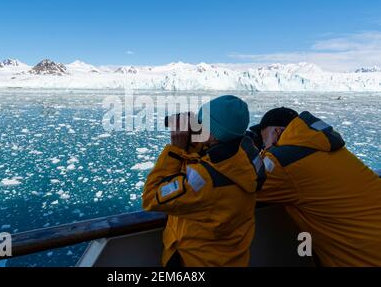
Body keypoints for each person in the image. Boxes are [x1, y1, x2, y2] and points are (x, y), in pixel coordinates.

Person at [142, 95, 266, 267]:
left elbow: (150, 197)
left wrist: (176, 149)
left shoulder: (205, 179)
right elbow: (214, 156)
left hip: (195, 262)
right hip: (232, 259)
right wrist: (198, 140)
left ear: (213, 134)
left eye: (202, 123)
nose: (197, 125)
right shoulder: (246, 154)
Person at [252, 107, 381, 266]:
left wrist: (249, 152)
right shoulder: (327, 146)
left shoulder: (284, 162)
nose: (265, 148)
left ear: (278, 132)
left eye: (265, 142)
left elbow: (243, 186)